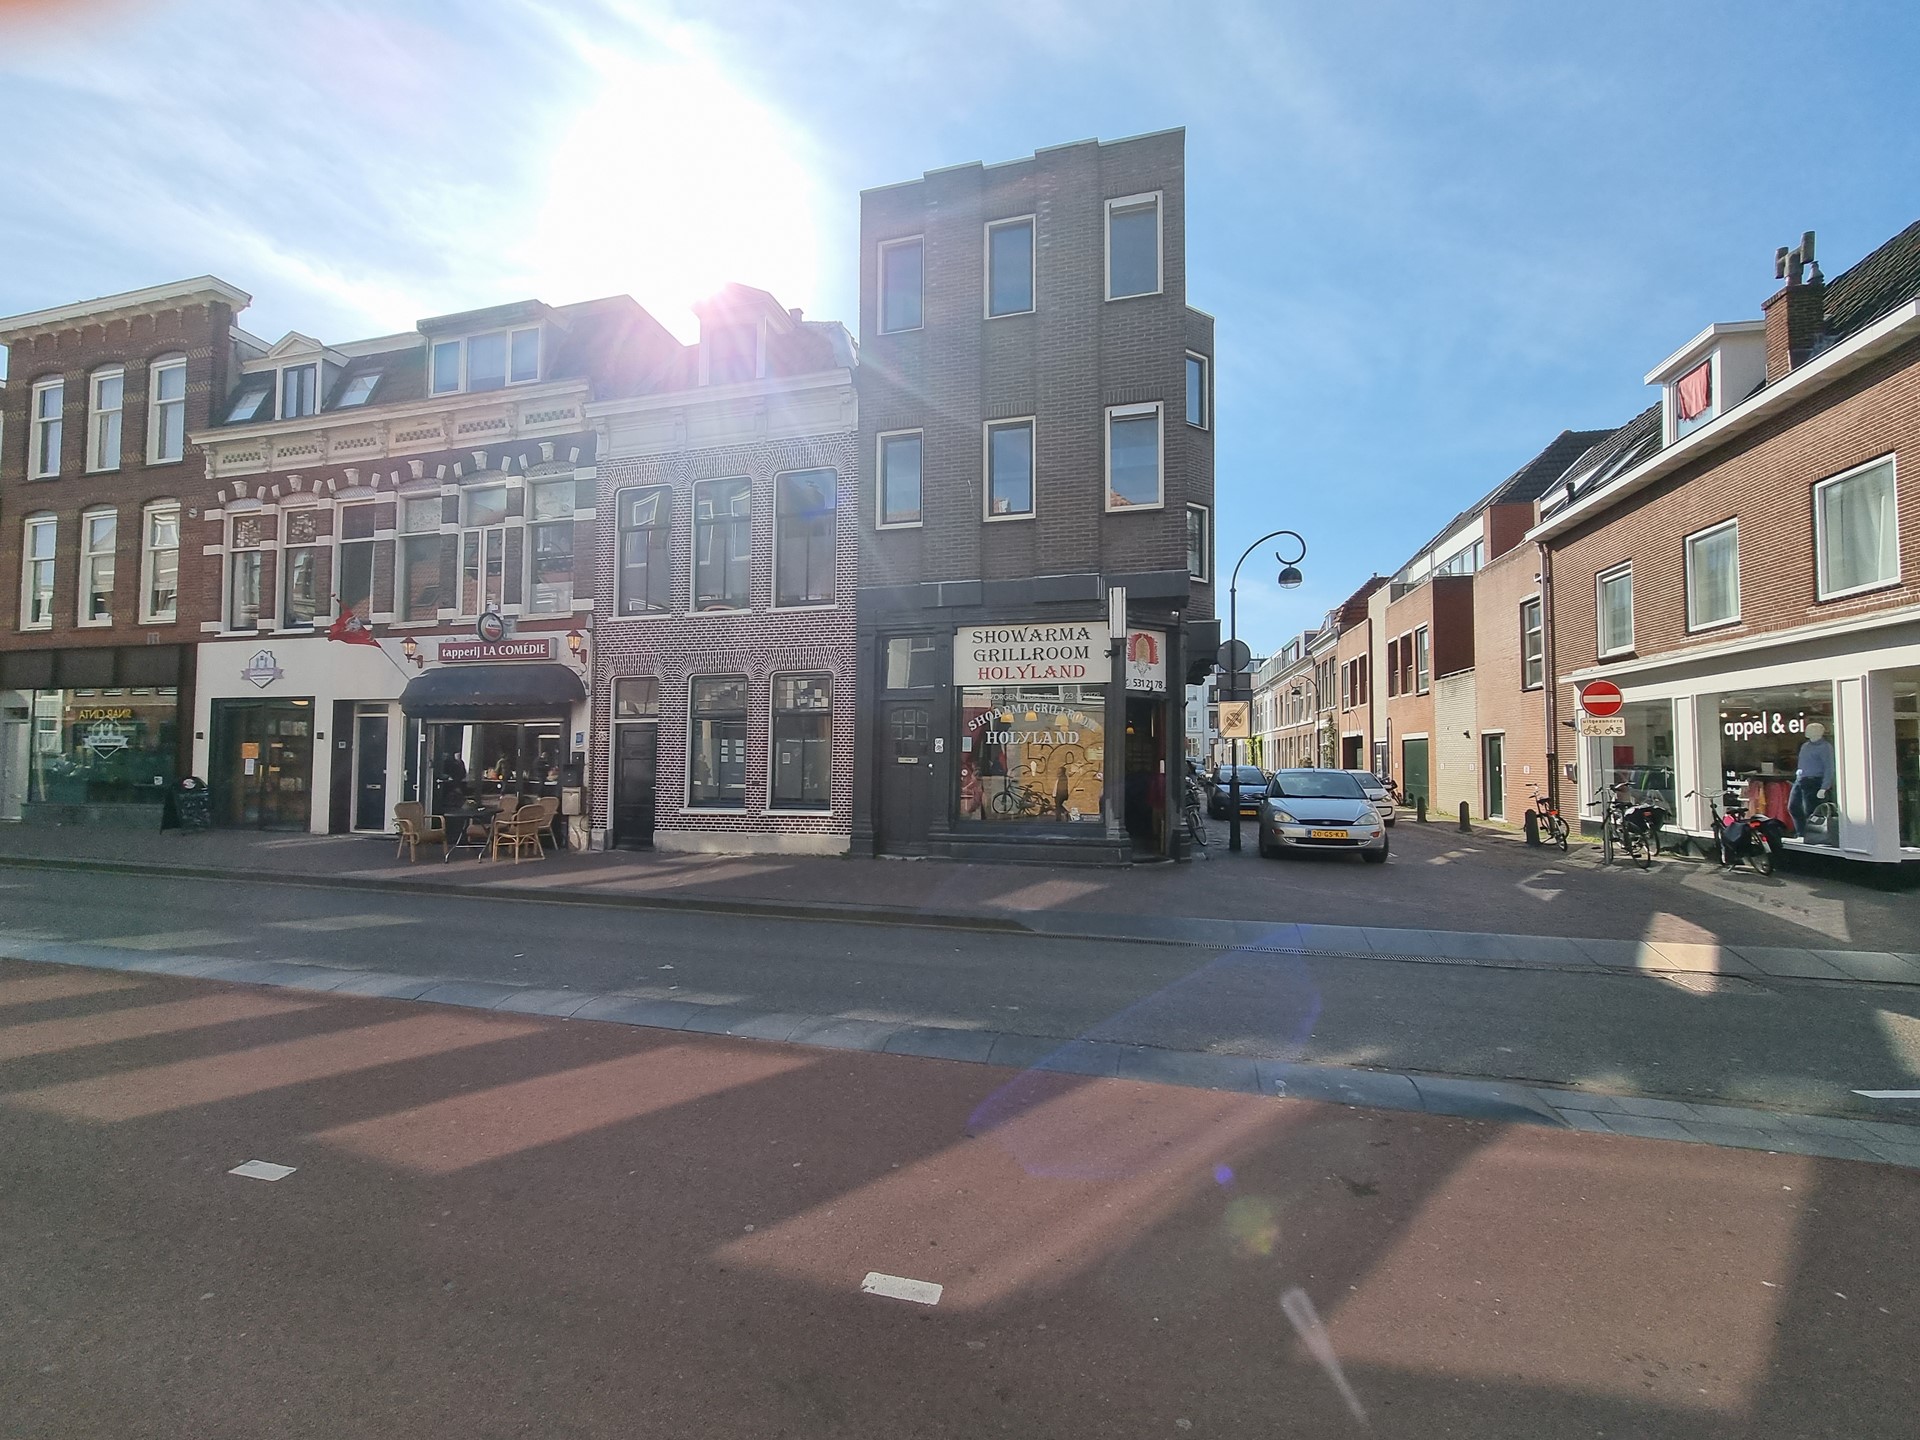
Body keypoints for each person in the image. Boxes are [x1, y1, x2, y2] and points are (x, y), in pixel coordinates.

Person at [1789, 721, 1835, 841]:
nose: (1806, 731)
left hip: (1814, 781)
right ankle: (1801, 833)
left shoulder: (1825, 747)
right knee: (1793, 806)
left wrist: (1824, 787)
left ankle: (1810, 836)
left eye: (1810, 729)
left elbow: (1829, 768)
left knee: (1810, 811)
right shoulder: (1805, 746)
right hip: (1801, 780)